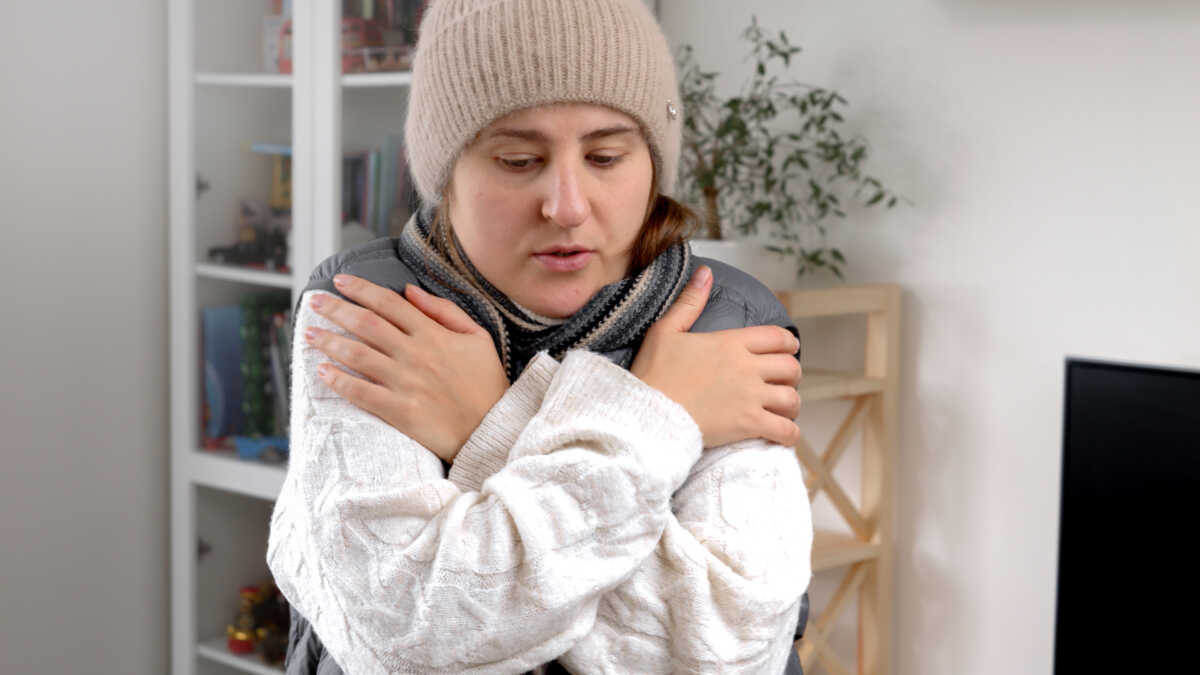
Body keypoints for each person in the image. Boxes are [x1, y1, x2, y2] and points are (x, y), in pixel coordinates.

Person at [266, 0, 813, 673]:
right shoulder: (368, 309)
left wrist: (489, 425)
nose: (567, 205)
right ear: (446, 171)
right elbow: (410, 635)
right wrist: (654, 417)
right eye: (519, 159)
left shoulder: (727, 323)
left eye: (606, 156)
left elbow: (727, 651)